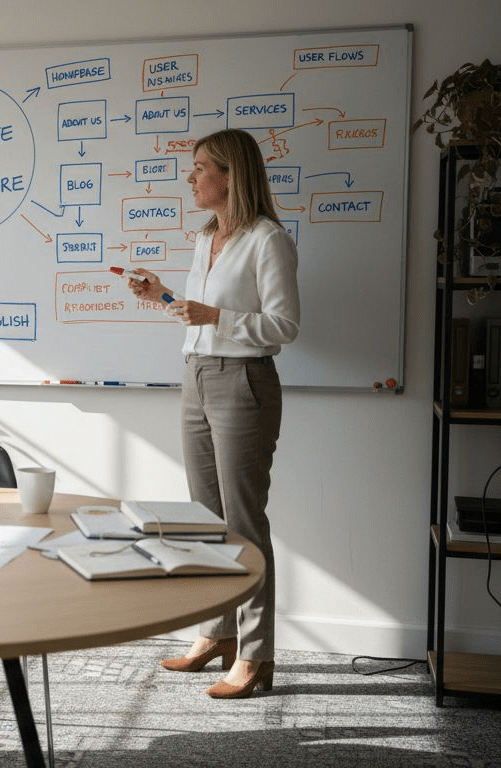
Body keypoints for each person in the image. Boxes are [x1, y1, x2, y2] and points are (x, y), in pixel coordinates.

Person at [122, 128, 300, 699]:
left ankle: (255, 655)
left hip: (243, 382)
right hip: (196, 377)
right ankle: (217, 632)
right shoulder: (206, 237)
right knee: (205, 518)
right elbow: (198, 315)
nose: (191, 177)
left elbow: (283, 326)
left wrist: (214, 315)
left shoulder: (268, 240)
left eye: (201, 167)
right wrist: (161, 297)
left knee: (244, 521)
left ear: (231, 174)